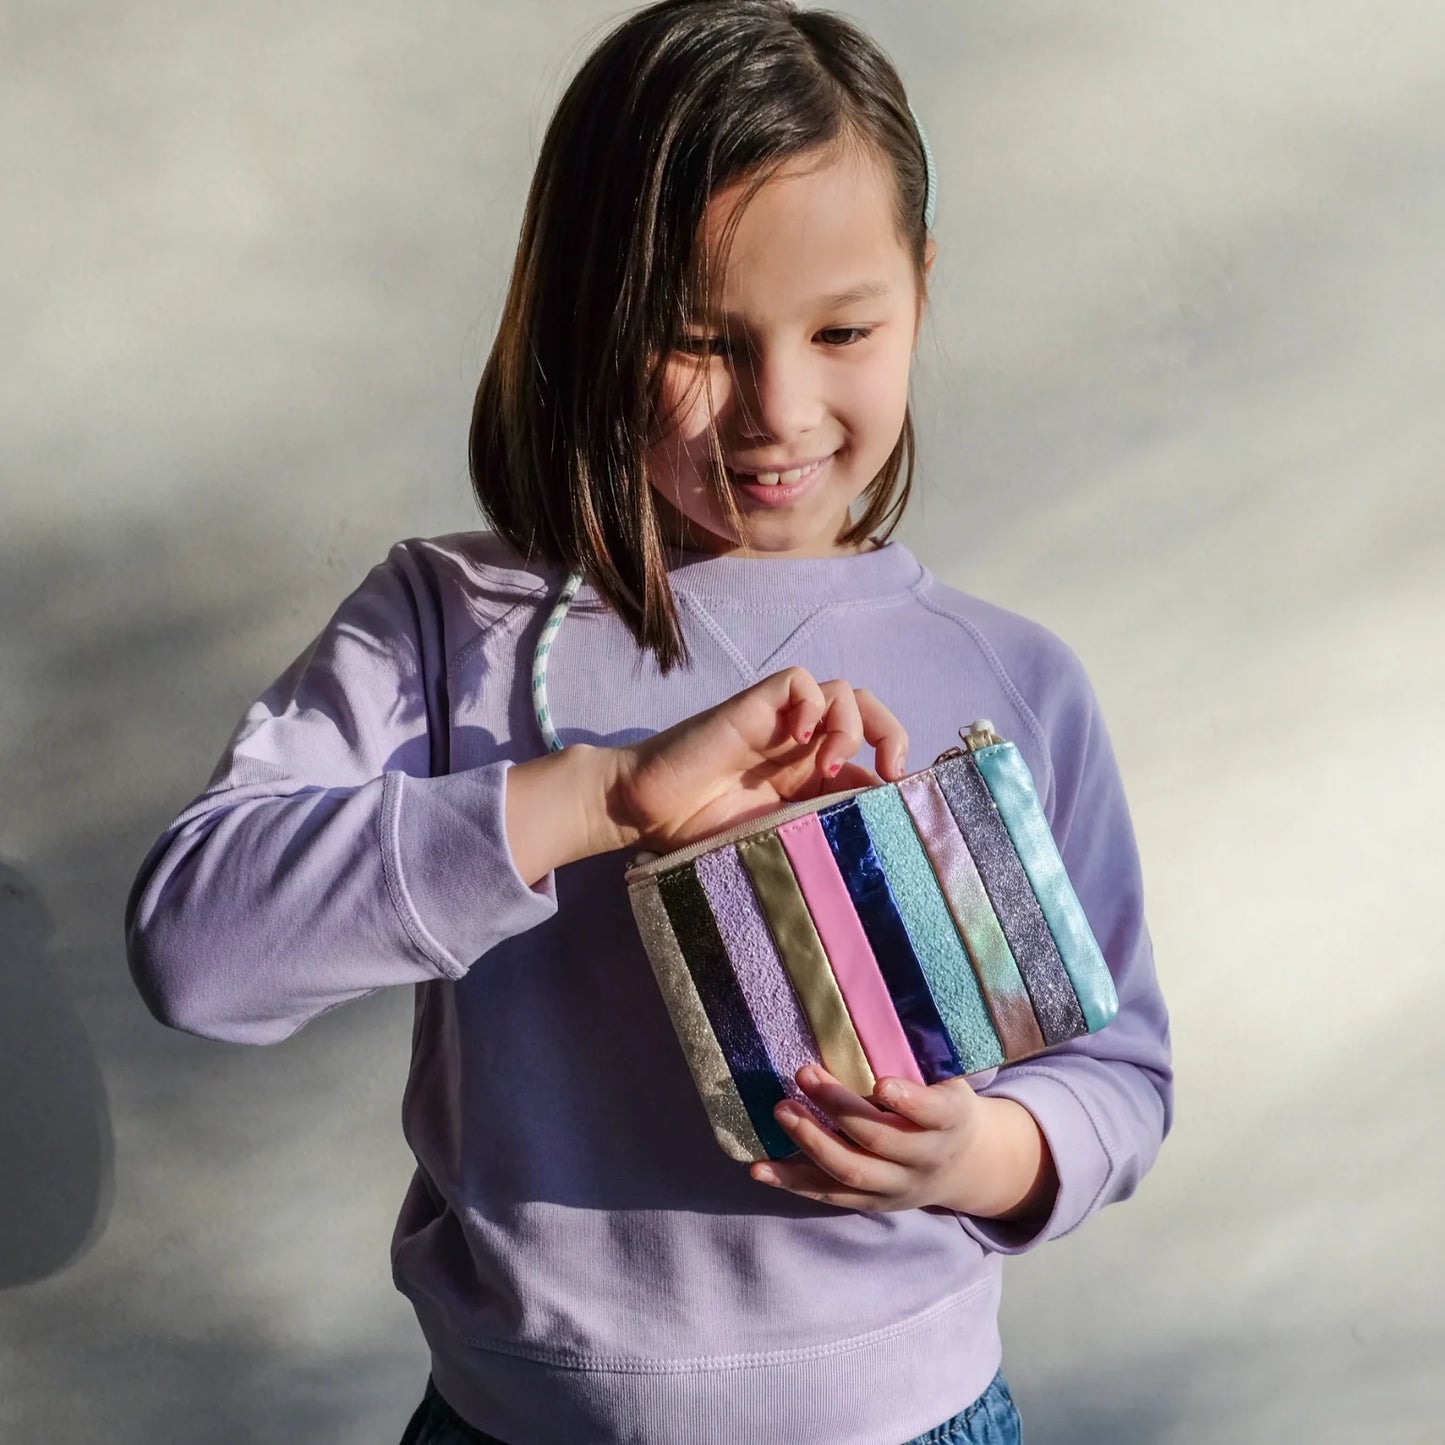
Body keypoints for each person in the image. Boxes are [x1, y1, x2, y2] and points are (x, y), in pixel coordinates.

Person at [125, 2, 1172, 1442]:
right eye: (694, 339)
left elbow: (1116, 1078)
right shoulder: (447, 626)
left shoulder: (1012, 675)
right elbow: (197, 949)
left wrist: (981, 1151)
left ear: (922, 291)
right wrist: (597, 796)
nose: (777, 409)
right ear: (583, 311)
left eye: (844, 328)